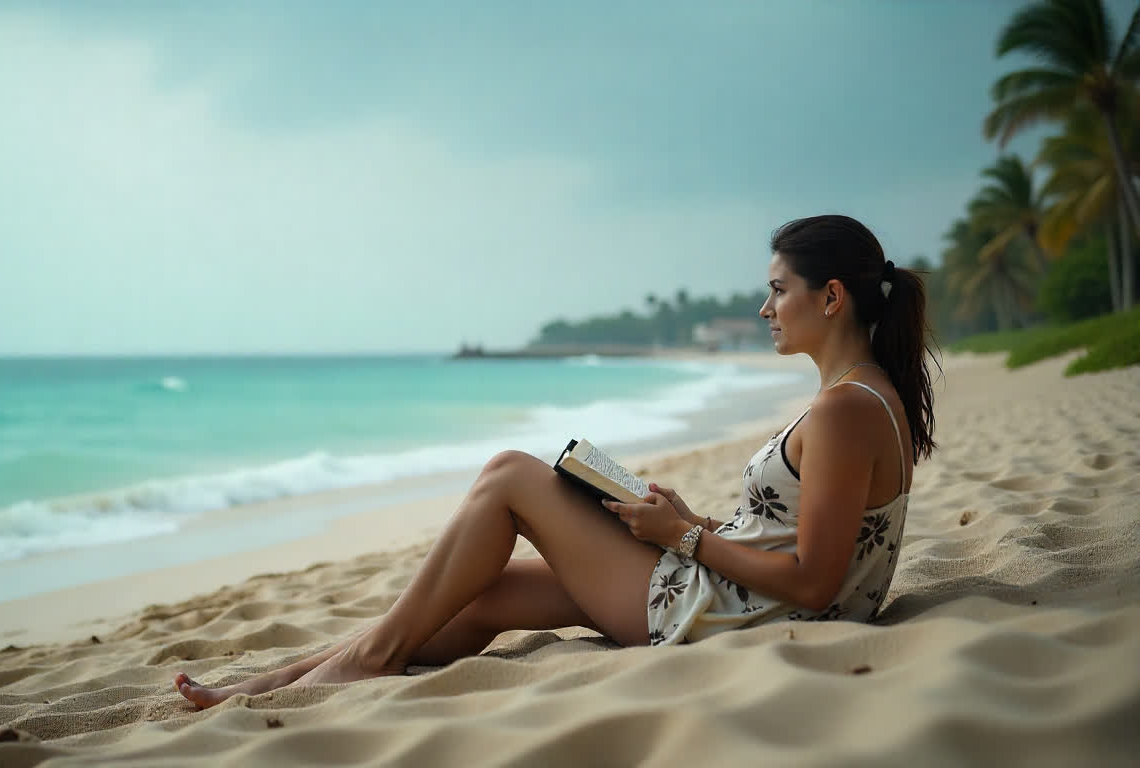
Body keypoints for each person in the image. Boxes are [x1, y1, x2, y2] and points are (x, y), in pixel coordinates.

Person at [174, 214, 937, 708]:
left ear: (831, 296)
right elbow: (797, 538)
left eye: (778, 291)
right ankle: (274, 684)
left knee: (510, 473)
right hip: (728, 589)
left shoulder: (843, 411)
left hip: (726, 613)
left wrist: (681, 538)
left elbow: (814, 579)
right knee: (481, 596)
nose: (767, 309)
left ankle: (364, 661)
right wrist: (683, 519)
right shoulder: (862, 396)